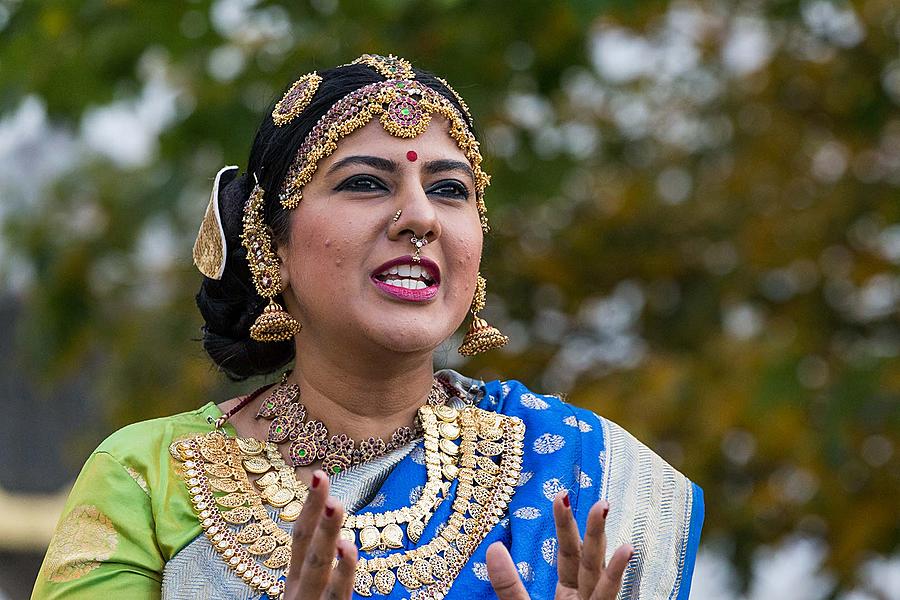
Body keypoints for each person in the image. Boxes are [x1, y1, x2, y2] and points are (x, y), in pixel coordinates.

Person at [31, 54, 703, 600]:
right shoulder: (148, 480)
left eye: (449, 190)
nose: (421, 218)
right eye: (364, 184)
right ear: (272, 249)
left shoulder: (574, 470)